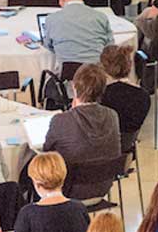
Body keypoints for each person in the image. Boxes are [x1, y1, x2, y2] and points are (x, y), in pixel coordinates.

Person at [42, 66, 123, 197]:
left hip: (68, 189)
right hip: (104, 185)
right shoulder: (112, 116)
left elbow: (46, 153)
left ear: (74, 88)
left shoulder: (61, 120)